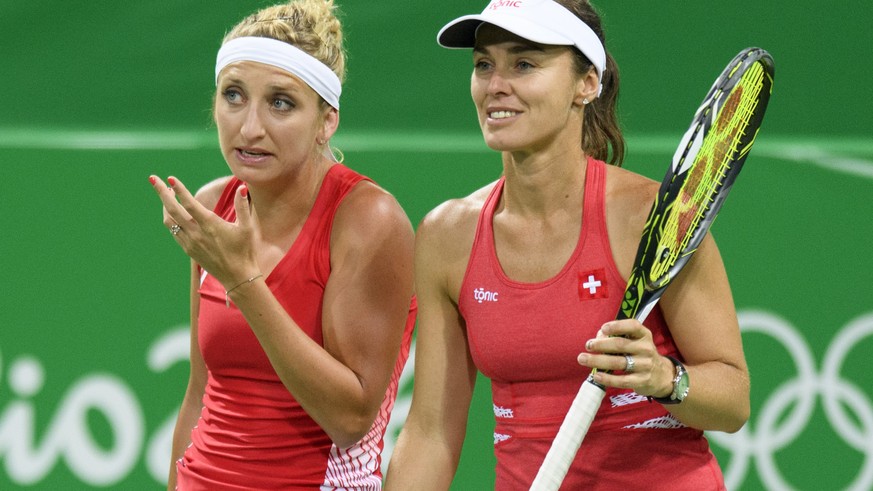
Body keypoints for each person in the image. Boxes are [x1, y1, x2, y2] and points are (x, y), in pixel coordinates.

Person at [385, 1, 749, 489]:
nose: (496, 84)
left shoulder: (652, 218)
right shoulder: (446, 236)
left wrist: (665, 378)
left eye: (525, 64)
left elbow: (733, 400)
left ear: (587, 84)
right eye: (483, 64)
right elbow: (431, 433)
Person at [148, 1, 416, 489]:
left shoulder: (368, 220)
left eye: (280, 103)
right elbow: (201, 390)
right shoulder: (214, 204)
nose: (250, 127)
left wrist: (243, 281)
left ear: (326, 120)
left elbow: (350, 418)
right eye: (233, 95)